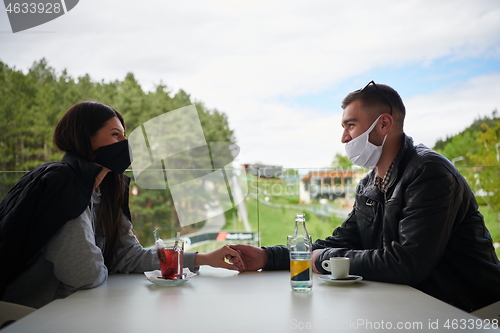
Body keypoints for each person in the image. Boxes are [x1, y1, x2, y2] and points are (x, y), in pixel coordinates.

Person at [230, 81, 500, 312]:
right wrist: (267, 257)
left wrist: (325, 259)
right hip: (411, 303)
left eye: (350, 125)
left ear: (383, 124)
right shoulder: (369, 185)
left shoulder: (429, 173)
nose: (344, 138)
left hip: (469, 309)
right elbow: (341, 241)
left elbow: (407, 263)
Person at [0, 101, 242, 309]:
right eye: (115, 135)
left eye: (124, 136)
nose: (125, 144)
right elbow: (84, 274)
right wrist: (109, 267)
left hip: (80, 307)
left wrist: (203, 258)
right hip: (32, 316)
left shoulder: (107, 190)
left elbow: (128, 256)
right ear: (85, 138)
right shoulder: (63, 182)